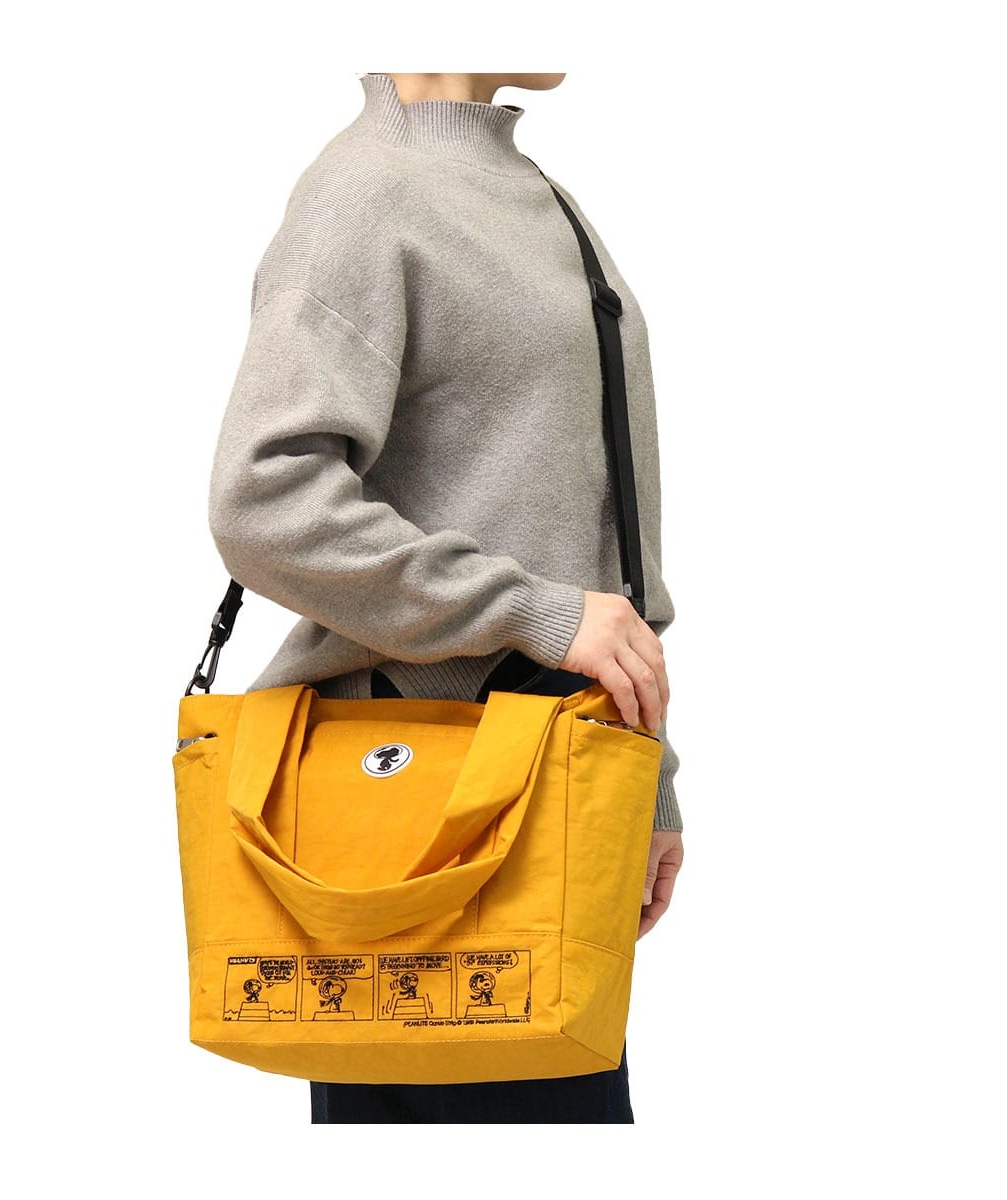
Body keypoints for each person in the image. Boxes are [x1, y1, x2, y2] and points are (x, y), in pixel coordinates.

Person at [208, 71, 685, 1123]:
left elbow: (607, 519)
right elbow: (262, 499)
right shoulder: (367, 193)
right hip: (415, 820)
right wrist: (532, 612)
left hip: (550, 788)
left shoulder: (539, 196)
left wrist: (649, 778)